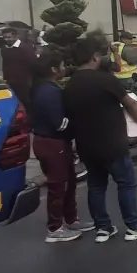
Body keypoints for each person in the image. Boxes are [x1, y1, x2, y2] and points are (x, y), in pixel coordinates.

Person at [63, 33, 137, 243]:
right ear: (94, 57)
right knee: (126, 184)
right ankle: (134, 227)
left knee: (96, 186)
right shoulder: (104, 80)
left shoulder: (70, 85)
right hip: (112, 144)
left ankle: (103, 229)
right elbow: (130, 103)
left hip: (86, 146)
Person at [29, 51, 91, 243]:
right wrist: (77, 127)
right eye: (62, 65)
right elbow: (60, 123)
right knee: (59, 186)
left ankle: (71, 220)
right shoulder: (49, 92)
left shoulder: (44, 87)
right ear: (54, 69)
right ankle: (55, 229)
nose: (65, 68)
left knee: (69, 182)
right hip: (52, 143)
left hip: (54, 142)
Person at [0, 26, 38, 108]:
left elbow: (33, 63)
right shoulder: (4, 49)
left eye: (9, 37)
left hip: (24, 83)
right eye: (5, 37)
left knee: (26, 104)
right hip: (11, 82)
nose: (6, 39)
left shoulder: (25, 48)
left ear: (16, 36)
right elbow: (5, 64)